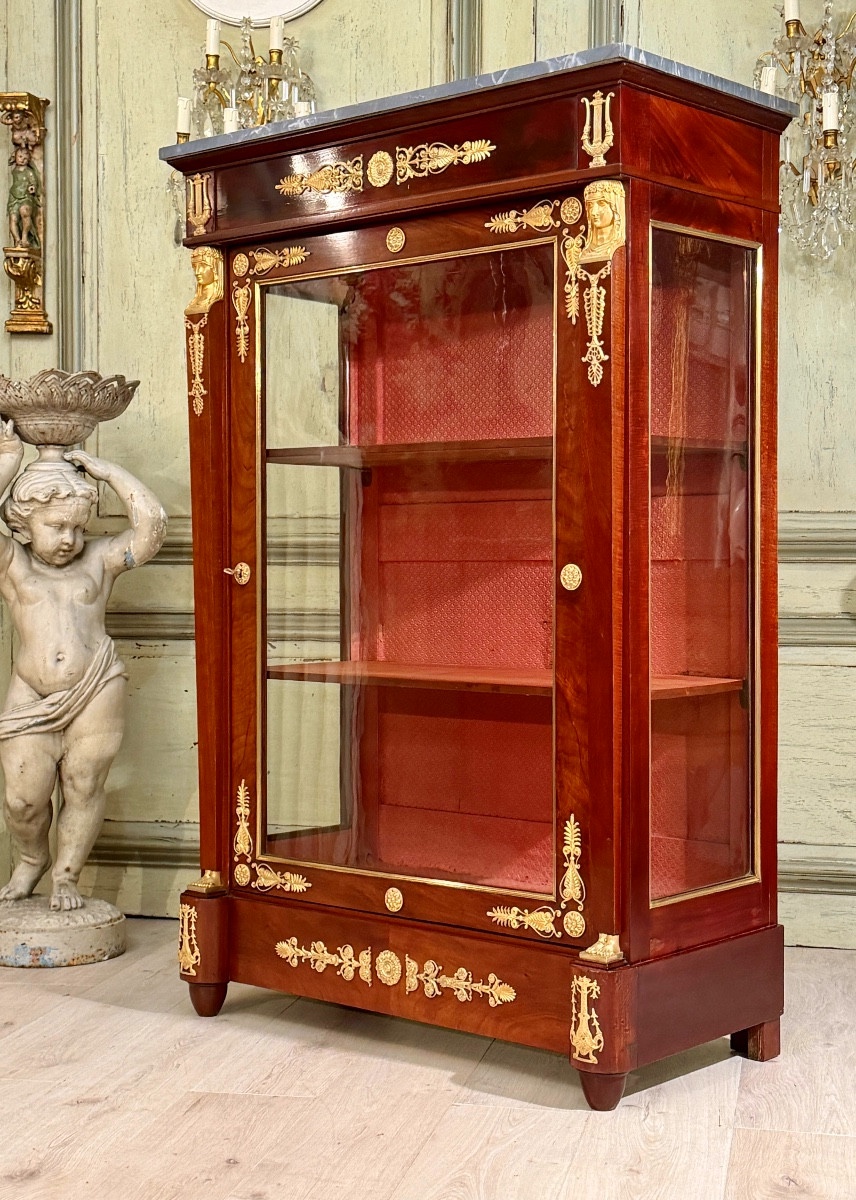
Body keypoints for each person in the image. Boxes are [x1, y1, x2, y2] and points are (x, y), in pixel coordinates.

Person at [0, 421, 167, 910]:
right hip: (31, 694)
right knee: (23, 800)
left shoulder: (98, 559)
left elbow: (152, 528)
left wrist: (107, 472)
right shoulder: (13, 565)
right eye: (56, 527)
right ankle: (32, 860)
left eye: (78, 526)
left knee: (84, 785)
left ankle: (67, 877)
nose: (70, 539)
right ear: (22, 525)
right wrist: (8, 466)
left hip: (97, 686)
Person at [7, 146, 42, 249]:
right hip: (14, 196)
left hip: (25, 196)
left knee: (25, 212)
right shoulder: (14, 171)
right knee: (13, 219)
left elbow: (34, 182)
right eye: (20, 156)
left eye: (25, 158)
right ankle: (17, 240)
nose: (22, 159)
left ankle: (24, 237)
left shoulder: (29, 171)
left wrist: (32, 187)